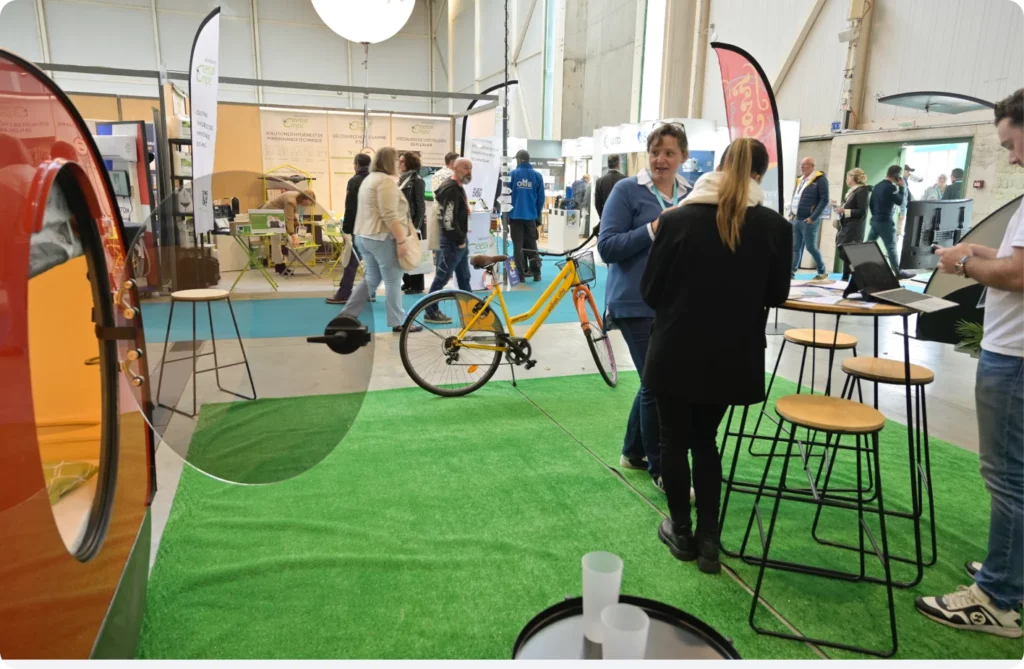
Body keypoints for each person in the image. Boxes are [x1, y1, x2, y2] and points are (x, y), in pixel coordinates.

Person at [642, 137, 791, 574]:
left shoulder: (677, 221)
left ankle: (681, 532)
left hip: (674, 351)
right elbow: (777, 294)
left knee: (673, 441)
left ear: (719, 166)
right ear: (758, 175)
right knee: (706, 442)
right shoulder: (775, 228)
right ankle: (710, 540)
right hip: (732, 355)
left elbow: (650, 292)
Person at [919, 89, 1024, 639]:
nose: (1010, 156)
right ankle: (1010, 573)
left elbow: (1017, 276)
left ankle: (998, 598)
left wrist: (967, 265)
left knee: (1007, 477)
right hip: (1012, 354)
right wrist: (978, 255)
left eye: (1011, 143)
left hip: (1015, 359)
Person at [598, 122, 691, 492]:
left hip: (674, 305)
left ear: (683, 156)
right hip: (634, 302)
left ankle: (632, 452)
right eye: (655, 152)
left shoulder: (690, 193)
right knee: (658, 383)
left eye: (669, 152)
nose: (660, 159)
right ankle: (661, 467)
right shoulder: (626, 191)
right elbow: (608, 247)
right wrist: (653, 228)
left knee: (652, 380)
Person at [335, 147, 421, 333]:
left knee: (372, 278)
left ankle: (347, 314)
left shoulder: (370, 180)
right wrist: (401, 241)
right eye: (397, 160)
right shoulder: (386, 182)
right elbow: (389, 215)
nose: (399, 163)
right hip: (380, 238)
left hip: (364, 236)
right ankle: (398, 322)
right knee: (392, 280)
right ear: (390, 162)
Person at [423, 158, 474, 324]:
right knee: (442, 278)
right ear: (455, 168)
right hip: (453, 241)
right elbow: (448, 219)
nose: (469, 171)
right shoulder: (451, 189)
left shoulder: (456, 187)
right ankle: (430, 311)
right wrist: (459, 239)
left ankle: (471, 310)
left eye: (470, 168)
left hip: (458, 240)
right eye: (465, 167)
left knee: (464, 277)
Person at [326, 154, 371, 304]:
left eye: (354, 163)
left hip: (359, 227)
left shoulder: (354, 181)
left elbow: (350, 207)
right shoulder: (376, 180)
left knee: (351, 262)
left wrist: (346, 229)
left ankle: (344, 293)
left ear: (357, 164)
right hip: (375, 228)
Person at [869, 165, 913, 278]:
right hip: (885, 221)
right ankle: (898, 272)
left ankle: (862, 268)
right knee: (891, 246)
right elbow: (899, 201)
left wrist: (875, 216)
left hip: (875, 220)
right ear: (896, 175)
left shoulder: (877, 186)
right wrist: (902, 188)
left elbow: (871, 204)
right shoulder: (891, 188)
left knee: (868, 245)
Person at [259, 188, 316, 276]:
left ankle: (279, 265)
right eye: (306, 204)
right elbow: (288, 219)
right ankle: (280, 266)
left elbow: (291, 214)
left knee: (278, 239)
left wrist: (297, 223)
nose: (306, 206)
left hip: (277, 214)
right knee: (276, 239)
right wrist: (293, 235)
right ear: (303, 199)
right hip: (269, 213)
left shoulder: (297, 196)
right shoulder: (291, 201)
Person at [508, 150, 546, 281]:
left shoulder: (511, 175)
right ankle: (537, 273)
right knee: (532, 245)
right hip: (530, 217)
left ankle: (520, 275)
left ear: (518, 160)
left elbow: (505, 197)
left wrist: (505, 216)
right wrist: (535, 213)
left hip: (515, 216)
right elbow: (541, 199)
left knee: (517, 246)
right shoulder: (537, 176)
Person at [789, 156, 829, 279]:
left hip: (809, 220)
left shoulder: (820, 179)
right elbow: (796, 197)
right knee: (795, 247)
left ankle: (822, 270)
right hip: (796, 218)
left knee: (810, 247)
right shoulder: (800, 180)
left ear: (812, 166)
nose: (802, 167)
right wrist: (791, 212)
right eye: (801, 164)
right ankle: (791, 273)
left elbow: (824, 200)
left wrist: (813, 217)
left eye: (805, 164)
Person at [834, 168, 871, 280]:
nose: (846, 180)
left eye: (848, 177)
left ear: (854, 178)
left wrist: (844, 211)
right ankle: (846, 277)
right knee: (846, 252)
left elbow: (862, 211)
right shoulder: (853, 191)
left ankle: (854, 275)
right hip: (847, 226)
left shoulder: (862, 191)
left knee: (846, 252)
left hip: (854, 228)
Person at [399, 152, 427, 294]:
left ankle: (416, 285)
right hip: (403, 222)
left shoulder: (417, 180)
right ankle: (408, 281)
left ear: (410, 163)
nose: (399, 164)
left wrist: (417, 226)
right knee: (405, 253)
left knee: (414, 253)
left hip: (413, 223)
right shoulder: (403, 179)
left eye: (402, 161)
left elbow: (420, 205)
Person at [897, 165, 922, 238]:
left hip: (901, 210)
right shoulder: (902, 182)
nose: (909, 173)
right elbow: (903, 198)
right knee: (897, 233)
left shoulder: (905, 181)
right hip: (900, 211)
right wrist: (902, 212)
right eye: (908, 171)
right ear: (903, 171)